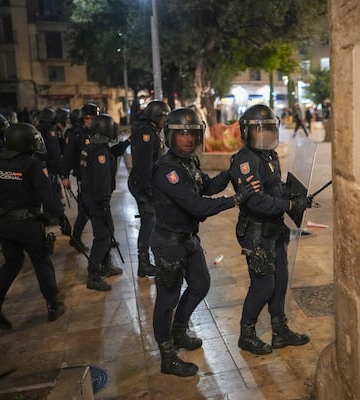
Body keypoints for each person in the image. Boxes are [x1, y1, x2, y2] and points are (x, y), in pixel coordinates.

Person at [151, 107, 260, 376]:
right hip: (169, 242)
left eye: (193, 133)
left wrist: (231, 171)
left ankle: (179, 331)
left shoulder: (188, 162)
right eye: (182, 134)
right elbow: (198, 206)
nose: (188, 139)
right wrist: (236, 199)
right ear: (170, 136)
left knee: (201, 284)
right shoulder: (167, 170)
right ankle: (167, 356)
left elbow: (207, 186)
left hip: (187, 238)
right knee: (167, 299)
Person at [230, 104, 311, 355]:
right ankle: (247, 334)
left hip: (274, 229)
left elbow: (273, 189)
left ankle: (280, 331)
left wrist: (296, 196)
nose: (264, 134)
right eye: (258, 130)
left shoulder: (269, 156)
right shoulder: (246, 160)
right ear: (247, 132)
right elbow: (257, 201)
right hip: (255, 233)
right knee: (263, 285)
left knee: (280, 281)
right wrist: (288, 204)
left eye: (268, 129)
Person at [0, 123, 71, 330]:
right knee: (41, 261)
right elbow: (47, 195)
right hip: (27, 225)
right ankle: (52, 305)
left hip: (4, 224)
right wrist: (60, 216)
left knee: (11, 263)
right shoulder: (31, 164)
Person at [79, 114, 123, 291]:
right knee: (103, 237)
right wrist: (104, 204)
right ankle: (93, 275)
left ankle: (106, 265)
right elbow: (101, 182)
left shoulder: (91, 147)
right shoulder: (100, 153)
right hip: (97, 202)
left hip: (91, 199)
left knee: (108, 232)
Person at [128, 100, 171, 277]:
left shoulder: (151, 130)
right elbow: (145, 165)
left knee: (152, 222)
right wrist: (150, 190)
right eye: (163, 117)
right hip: (142, 185)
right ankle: (143, 262)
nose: (165, 121)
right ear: (155, 116)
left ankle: (147, 260)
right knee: (149, 223)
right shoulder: (146, 132)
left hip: (146, 184)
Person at [60, 103, 99, 252]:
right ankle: (76, 238)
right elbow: (67, 157)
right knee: (85, 209)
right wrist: (64, 176)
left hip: (97, 176)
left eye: (92, 118)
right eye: (87, 118)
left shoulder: (96, 132)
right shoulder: (75, 134)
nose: (90, 121)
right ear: (83, 119)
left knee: (94, 208)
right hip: (83, 176)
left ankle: (103, 237)